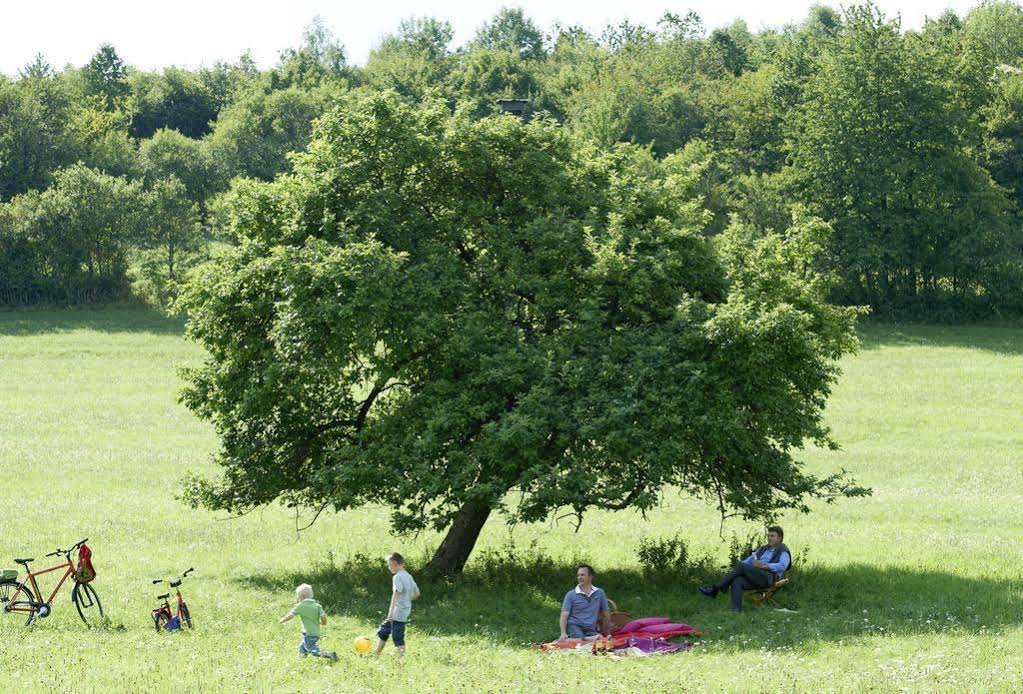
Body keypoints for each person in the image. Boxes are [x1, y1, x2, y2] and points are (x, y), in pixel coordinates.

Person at [699, 526, 791, 612]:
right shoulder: (763, 549)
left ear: (779, 538)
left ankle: (715, 588)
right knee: (737, 580)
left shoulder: (783, 550)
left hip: (769, 578)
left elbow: (783, 565)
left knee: (741, 566)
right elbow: (748, 561)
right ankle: (736, 611)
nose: (769, 538)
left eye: (772, 536)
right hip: (757, 576)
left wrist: (764, 565)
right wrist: (735, 570)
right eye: (768, 536)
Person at [374, 552, 420, 657]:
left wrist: (391, 613)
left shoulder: (397, 577)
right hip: (405, 609)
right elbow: (417, 594)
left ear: (395, 563)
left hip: (398, 611)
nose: (388, 567)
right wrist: (407, 600)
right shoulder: (408, 576)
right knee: (384, 630)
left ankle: (401, 658)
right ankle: (376, 653)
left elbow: (396, 594)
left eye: (389, 564)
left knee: (397, 635)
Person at [279, 583, 338, 661]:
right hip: (315, 633)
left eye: (298, 597)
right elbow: (323, 616)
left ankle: (328, 654)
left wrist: (283, 619)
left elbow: (291, 615)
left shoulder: (300, 606)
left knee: (311, 648)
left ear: (302, 597)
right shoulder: (317, 606)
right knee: (304, 645)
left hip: (309, 633)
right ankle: (301, 657)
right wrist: (323, 622)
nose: (298, 599)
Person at [559, 564, 610, 641]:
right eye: (578, 575)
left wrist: (608, 632)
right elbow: (564, 615)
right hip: (574, 626)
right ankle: (576, 639)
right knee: (583, 644)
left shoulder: (599, 593)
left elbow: (606, 613)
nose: (579, 577)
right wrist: (563, 633)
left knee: (601, 642)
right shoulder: (571, 594)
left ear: (590, 577)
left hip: (590, 628)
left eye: (582, 575)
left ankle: (585, 639)